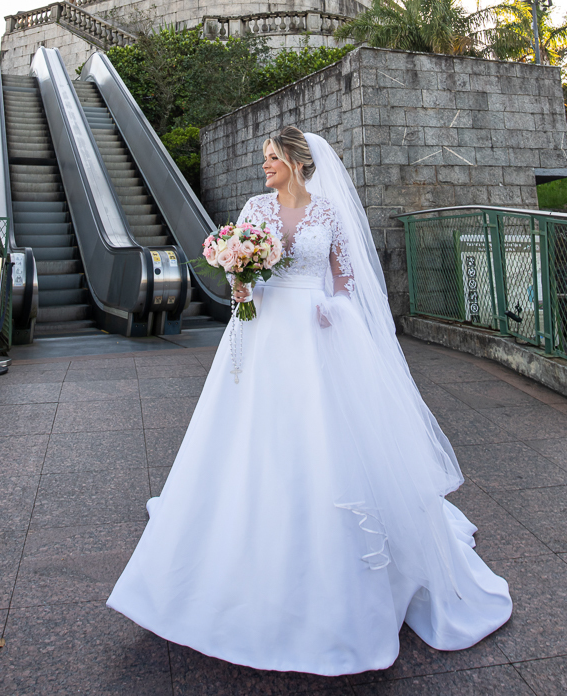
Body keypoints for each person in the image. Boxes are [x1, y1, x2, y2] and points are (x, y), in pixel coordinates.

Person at [107, 126, 512, 675]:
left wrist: (333, 308)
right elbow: (240, 276)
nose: (265, 167)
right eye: (264, 159)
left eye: (273, 159)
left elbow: (346, 281)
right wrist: (240, 280)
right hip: (262, 332)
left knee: (322, 439)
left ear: (297, 162)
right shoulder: (256, 206)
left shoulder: (327, 213)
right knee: (251, 436)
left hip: (315, 334)